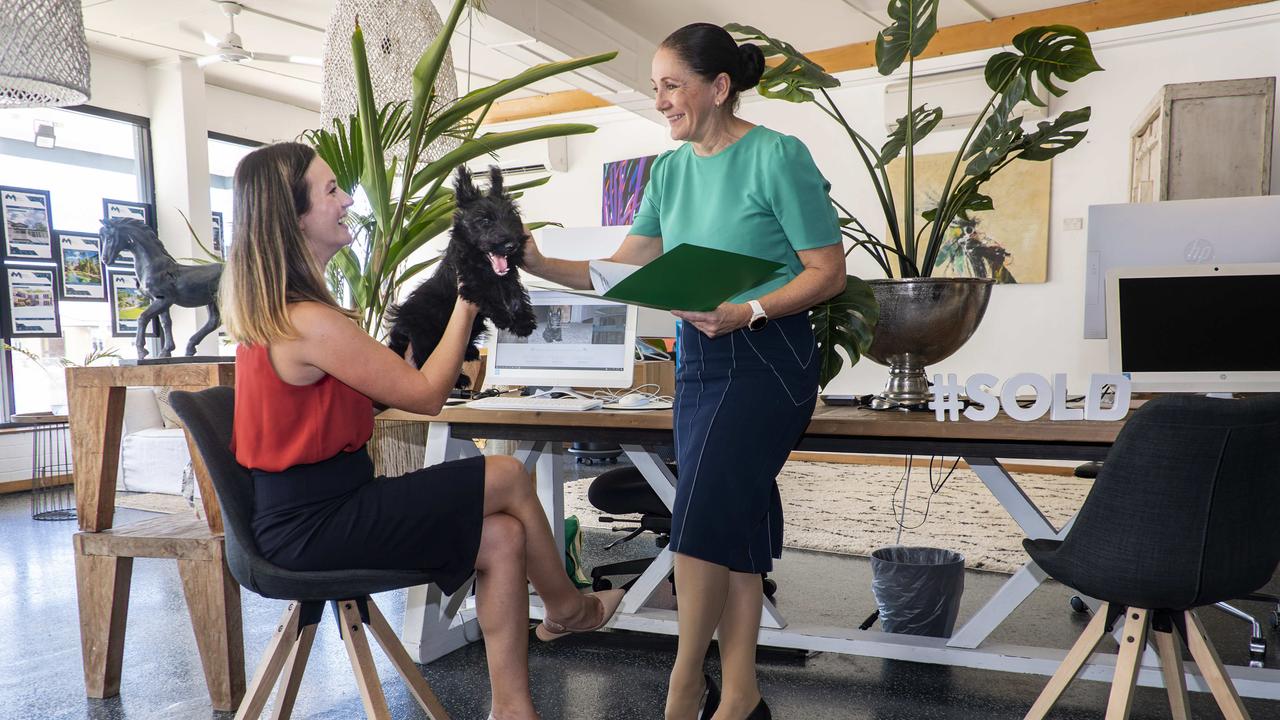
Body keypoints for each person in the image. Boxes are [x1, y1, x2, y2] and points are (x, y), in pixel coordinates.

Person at [220, 141, 623, 720]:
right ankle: (569, 610)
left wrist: (405, 354)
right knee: (506, 474)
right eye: (330, 190)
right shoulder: (309, 321)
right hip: (310, 525)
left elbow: (366, 400)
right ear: (295, 217)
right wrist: (469, 293)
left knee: (504, 537)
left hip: (318, 509)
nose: (345, 199)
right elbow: (429, 397)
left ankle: (514, 709)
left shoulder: (291, 311)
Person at [520, 22, 845, 720]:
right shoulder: (667, 170)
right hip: (698, 357)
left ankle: (680, 688)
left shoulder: (777, 156)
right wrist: (538, 260)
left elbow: (828, 273)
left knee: (698, 521)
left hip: (768, 354)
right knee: (739, 523)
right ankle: (740, 696)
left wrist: (749, 310)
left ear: (719, 86)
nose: (661, 100)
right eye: (656, 88)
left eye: (673, 85)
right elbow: (628, 267)